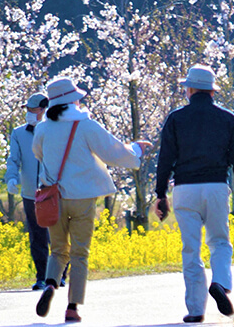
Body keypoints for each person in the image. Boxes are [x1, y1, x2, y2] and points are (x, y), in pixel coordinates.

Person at [32, 76, 149, 323]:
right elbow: (112, 152)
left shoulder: (43, 128)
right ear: (73, 99)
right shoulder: (85, 125)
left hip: (54, 198)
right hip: (83, 198)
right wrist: (135, 150)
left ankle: (51, 284)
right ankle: (72, 307)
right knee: (79, 253)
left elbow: (37, 152)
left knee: (57, 250)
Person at [154, 65, 234, 324]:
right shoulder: (227, 118)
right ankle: (219, 282)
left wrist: (160, 193)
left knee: (191, 249)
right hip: (216, 187)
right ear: (211, 91)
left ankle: (196, 310)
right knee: (219, 241)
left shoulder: (176, 118)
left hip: (185, 189)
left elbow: (165, 158)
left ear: (191, 89)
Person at [4, 92, 52, 290]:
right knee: (37, 235)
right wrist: (12, 178)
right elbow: (13, 159)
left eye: (33, 111)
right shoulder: (18, 133)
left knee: (57, 235)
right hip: (31, 193)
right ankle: (41, 277)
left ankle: (59, 275)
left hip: (53, 191)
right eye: (28, 111)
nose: (30, 114)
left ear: (43, 111)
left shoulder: (53, 132)